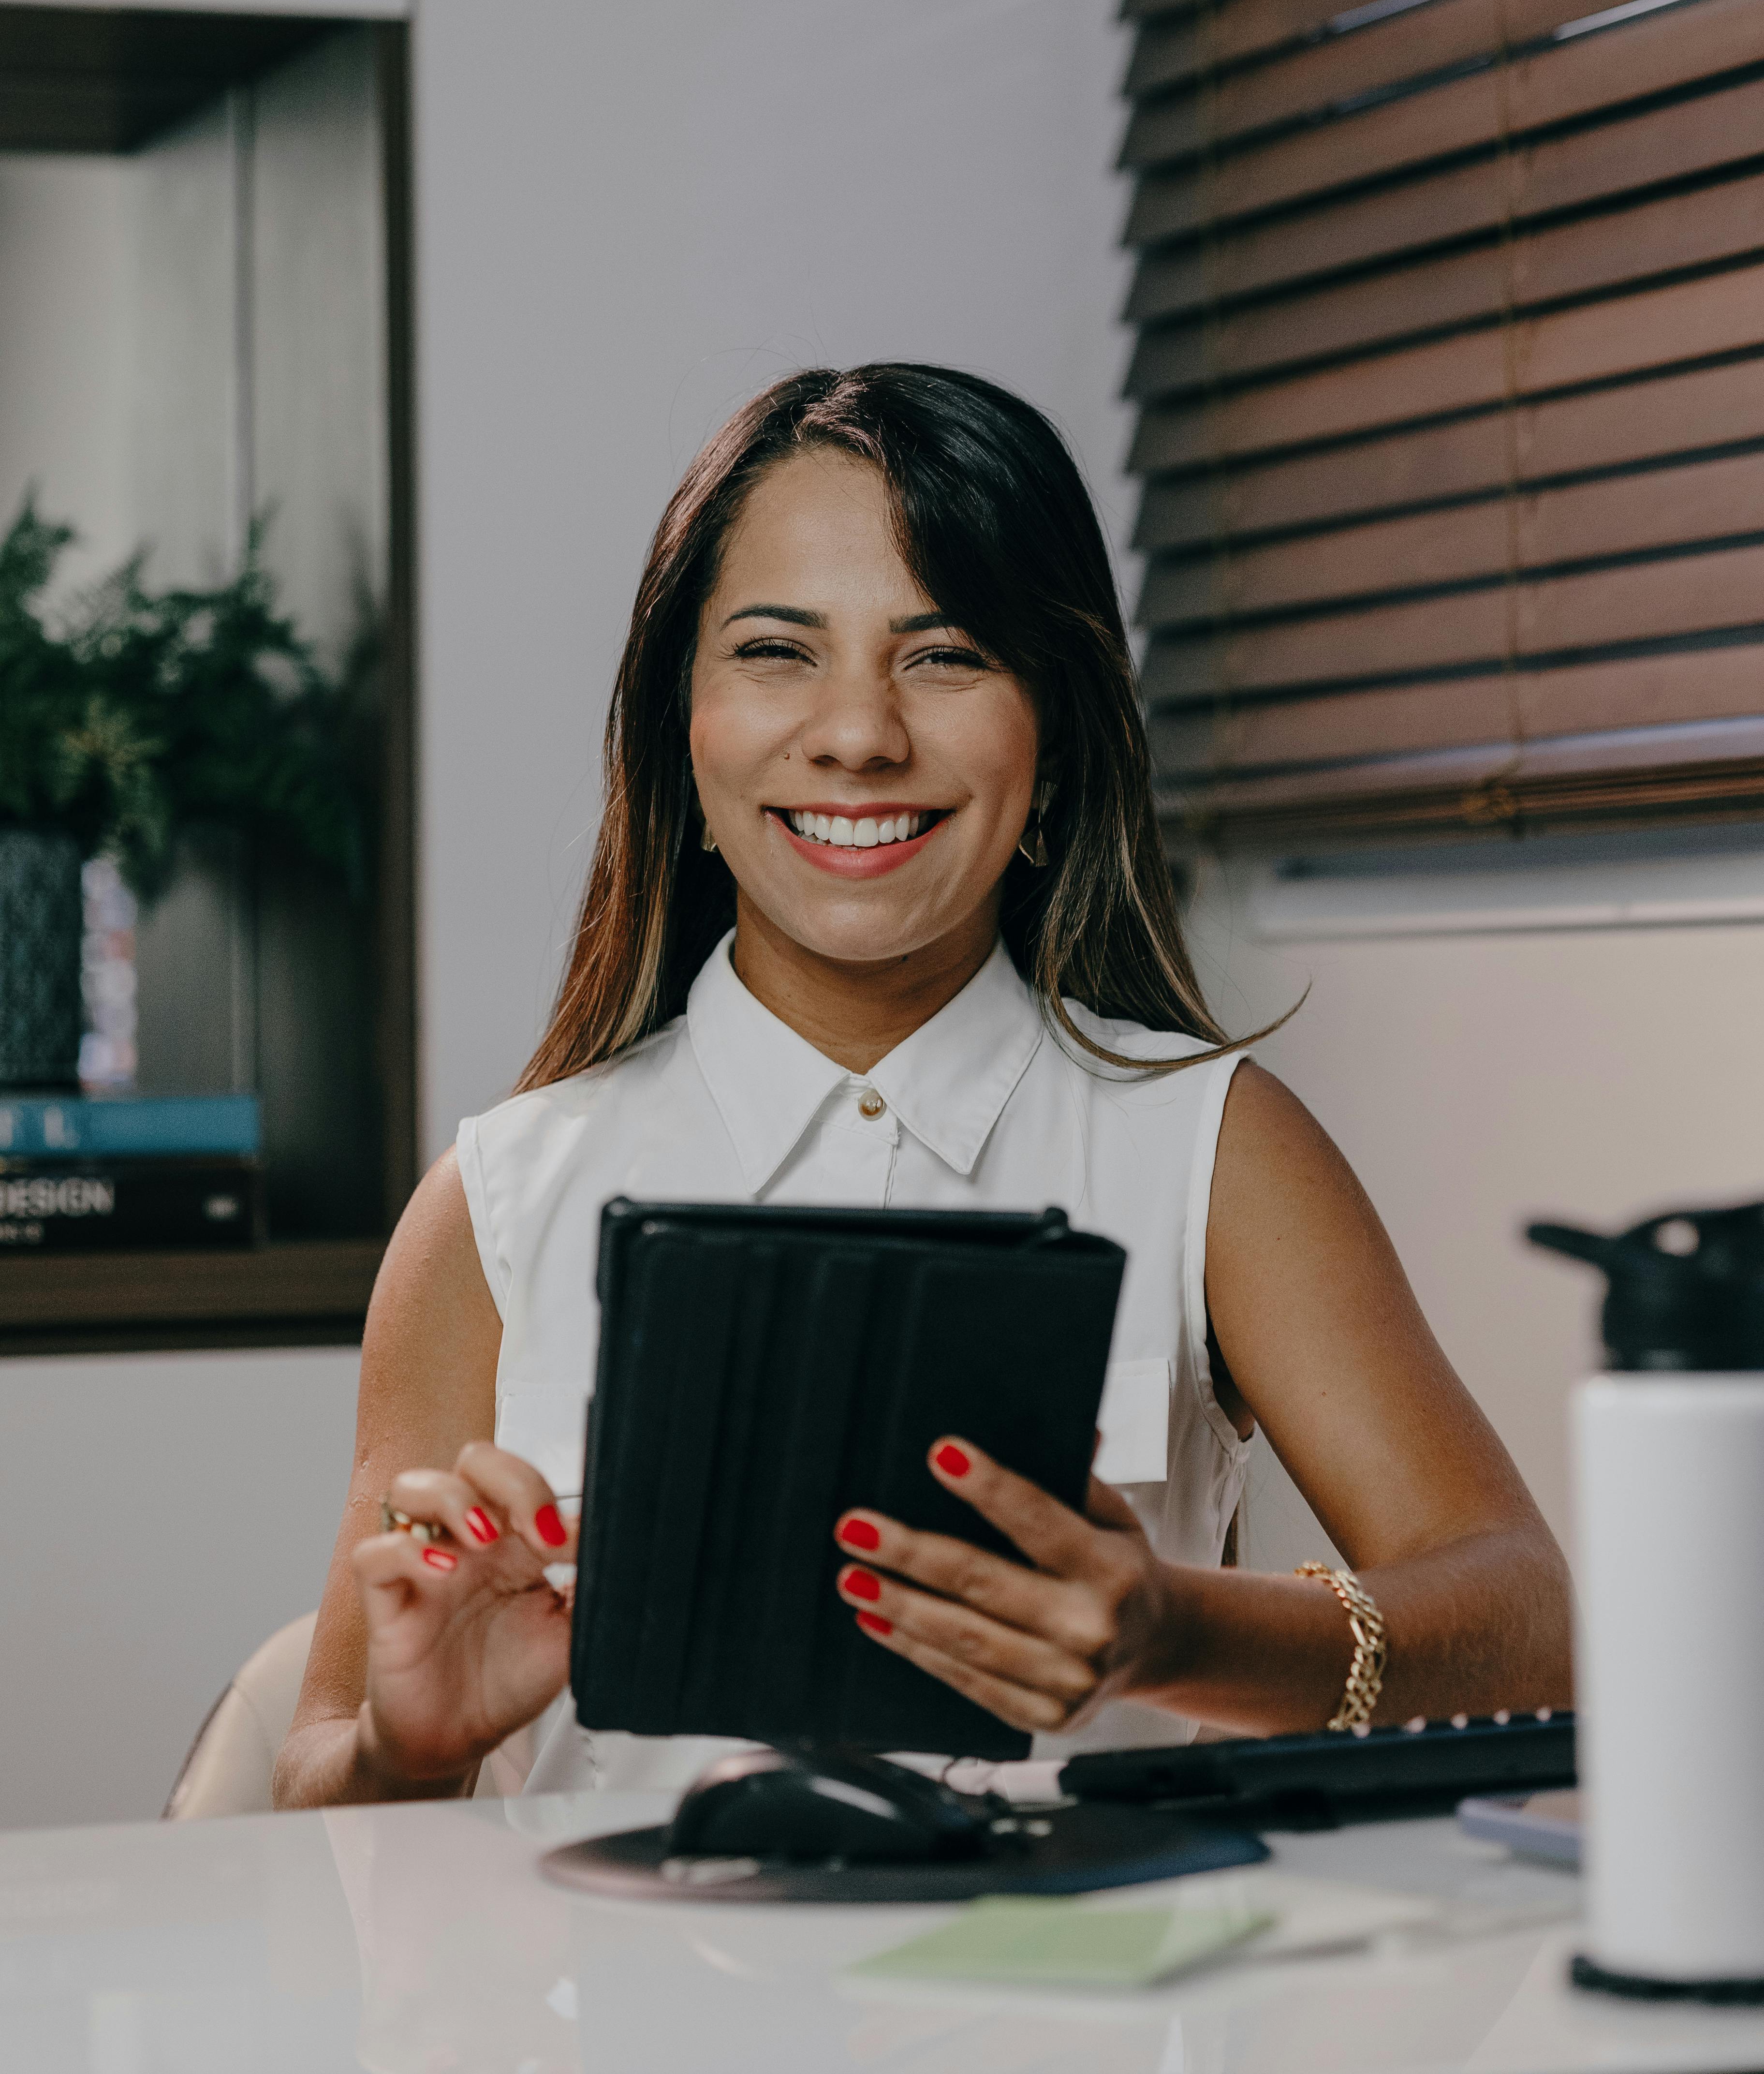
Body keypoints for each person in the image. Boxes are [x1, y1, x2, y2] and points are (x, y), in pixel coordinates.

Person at [275, 365, 1571, 1807]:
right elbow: (318, 1781)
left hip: (1080, 2016)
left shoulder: (1216, 1146)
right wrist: (413, 1744)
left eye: (945, 655)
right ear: (679, 733)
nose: (859, 735)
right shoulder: (494, 1207)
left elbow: (1525, 1621)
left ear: (1058, 733)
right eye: (777, 651)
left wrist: (1172, 1629)